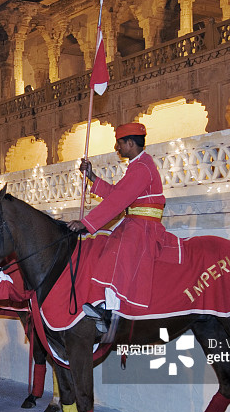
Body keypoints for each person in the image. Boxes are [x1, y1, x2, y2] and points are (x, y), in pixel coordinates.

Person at [67, 122, 180, 332]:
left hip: (143, 227)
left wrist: (85, 224)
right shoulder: (138, 165)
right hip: (134, 223)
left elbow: (117, 201)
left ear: (130, 143)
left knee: (115, 250)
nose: (117, 148)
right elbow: (118, 194)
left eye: (119, 144)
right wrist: (92, 177)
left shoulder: (142, 168)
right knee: (105, 243)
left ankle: (111, 312)